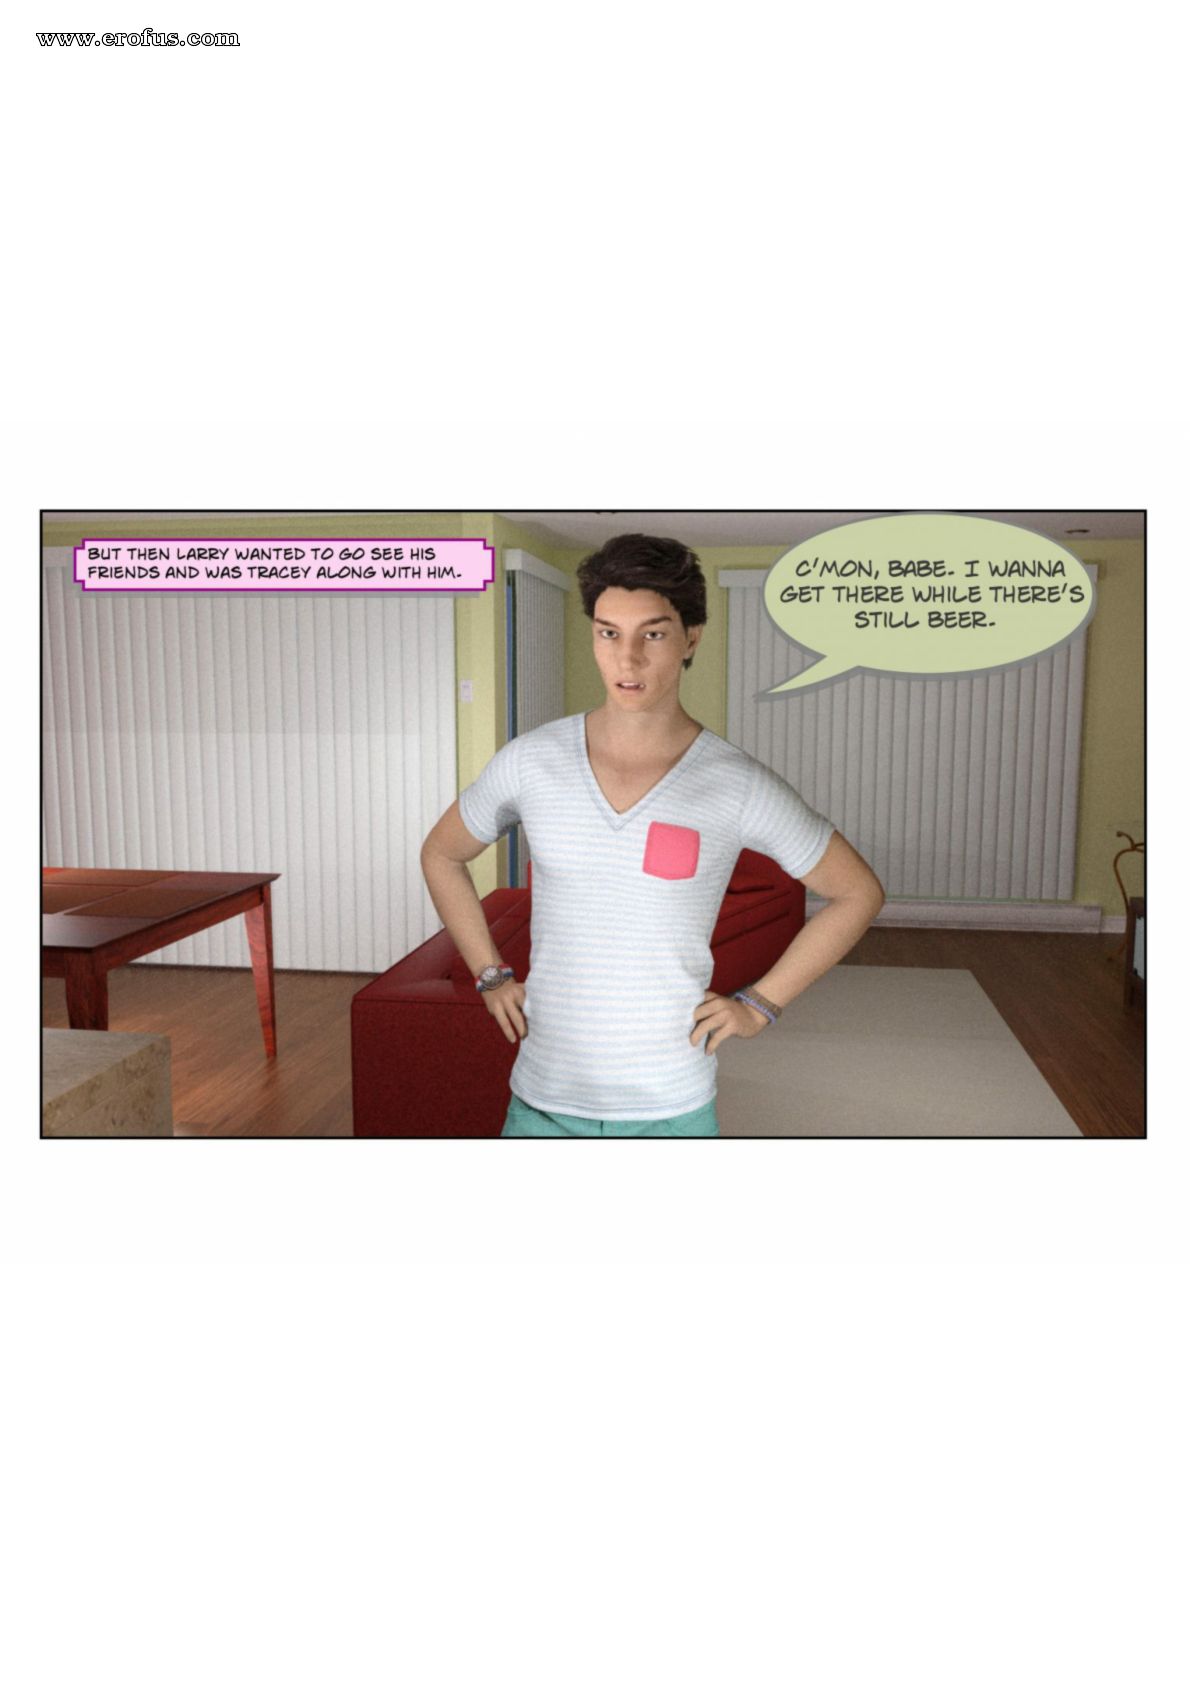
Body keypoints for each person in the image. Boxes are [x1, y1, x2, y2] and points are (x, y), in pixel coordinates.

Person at [420, 532, 885, 1137]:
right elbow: (442, 854)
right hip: (543, 1097)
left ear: (692, 638)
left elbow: (857, 893)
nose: (628, 659)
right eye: (609, 633)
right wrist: (490, 972)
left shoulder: (737, 783)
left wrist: (760, 1004)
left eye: (654, 634)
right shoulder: (531, 762)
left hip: (671, 1104)